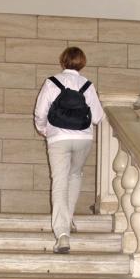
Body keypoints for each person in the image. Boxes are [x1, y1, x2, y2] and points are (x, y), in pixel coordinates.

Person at [34, 47, 104, 254]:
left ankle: (62, 234)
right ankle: (68, 219)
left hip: (58, 138)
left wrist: (44, 129)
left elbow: (40, 113)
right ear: (82, 62)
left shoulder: (52, 82)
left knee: (59, 181)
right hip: (83, 139)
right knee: (74, 176)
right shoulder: (87, 85)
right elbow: (98, 117)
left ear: (62, 61)